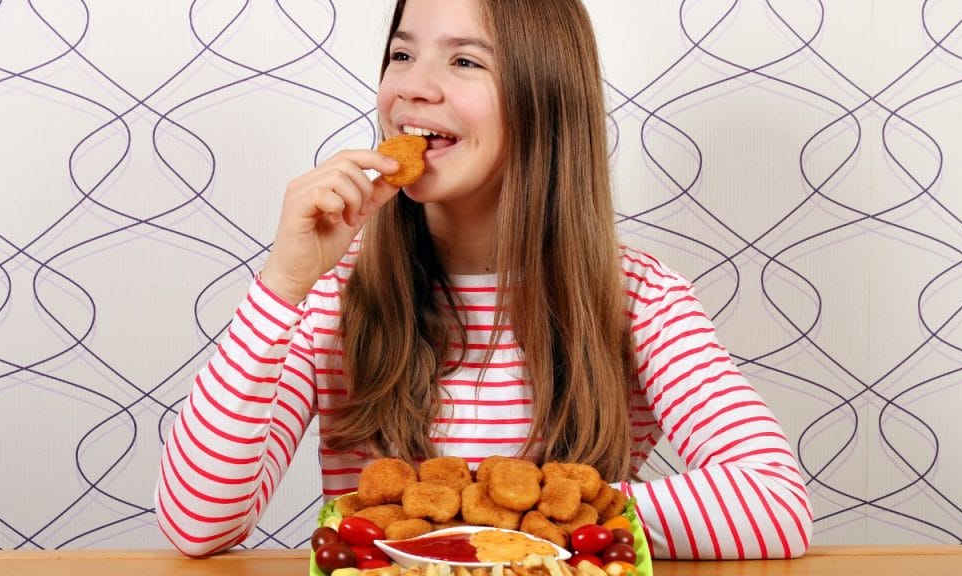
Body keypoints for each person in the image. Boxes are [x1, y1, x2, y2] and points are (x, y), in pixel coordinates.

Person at [155, 0, 813, 561]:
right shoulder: (332, 292)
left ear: (544, 99)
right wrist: (282, 283)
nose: (412, 88)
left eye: (465, 61)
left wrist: (513, 516)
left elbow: (774, 499)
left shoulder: (639, 297)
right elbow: (197, 523)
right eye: (402, 55)